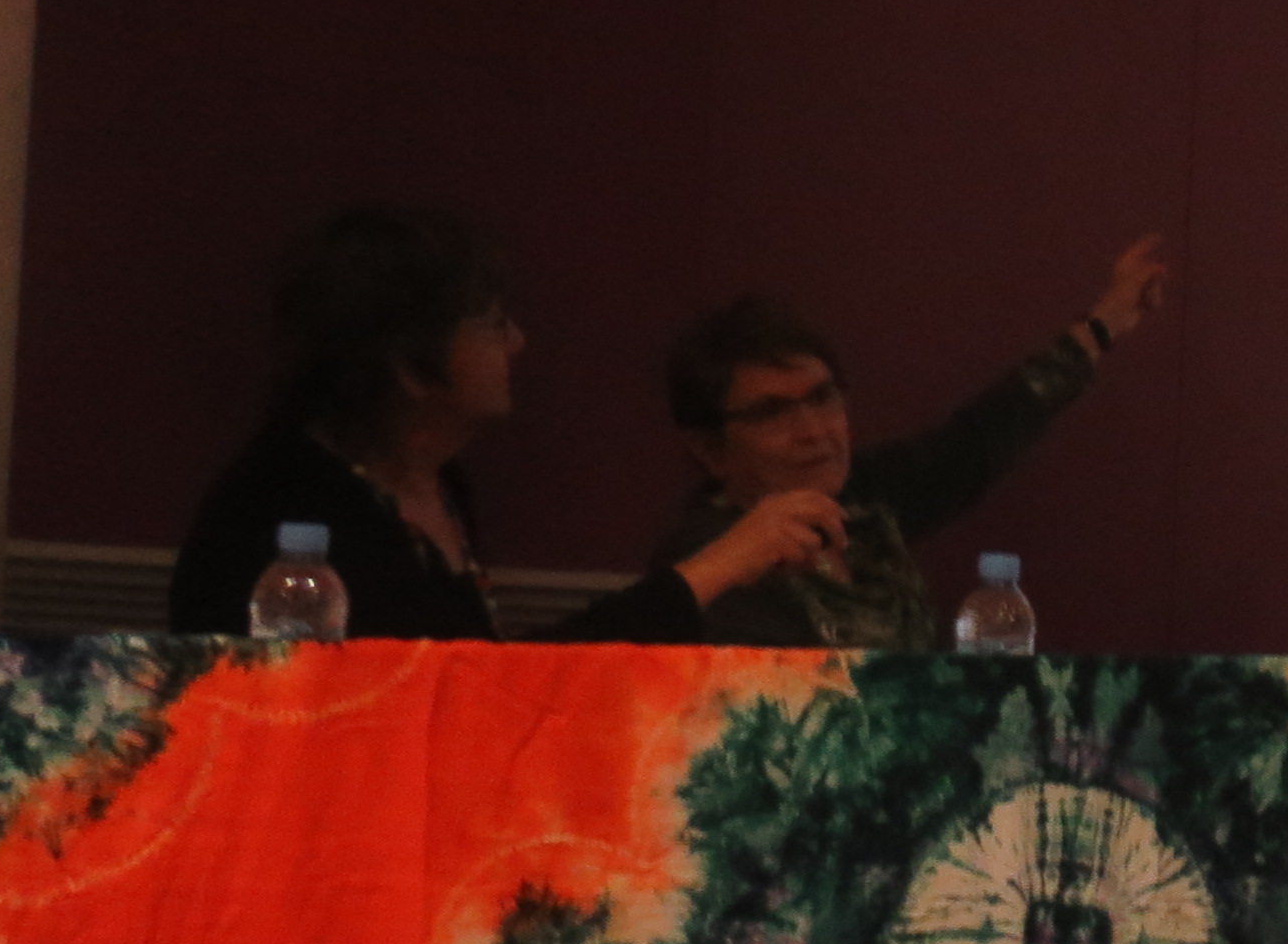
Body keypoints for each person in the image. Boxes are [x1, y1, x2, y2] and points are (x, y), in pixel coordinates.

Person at [171, 205, 836, 639]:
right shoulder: (283, 506)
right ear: (409, 362)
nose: (517, 342)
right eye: (492, 324)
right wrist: (717, 566)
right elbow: (473, 692)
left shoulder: (436, 483)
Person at [649, 235, 1171, 650]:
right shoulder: (707, 563)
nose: (814, 431)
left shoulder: (860, 497)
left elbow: (979, 440)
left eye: (823, 398)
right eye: (772, 413)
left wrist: (1103, 325)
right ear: (710, 450)